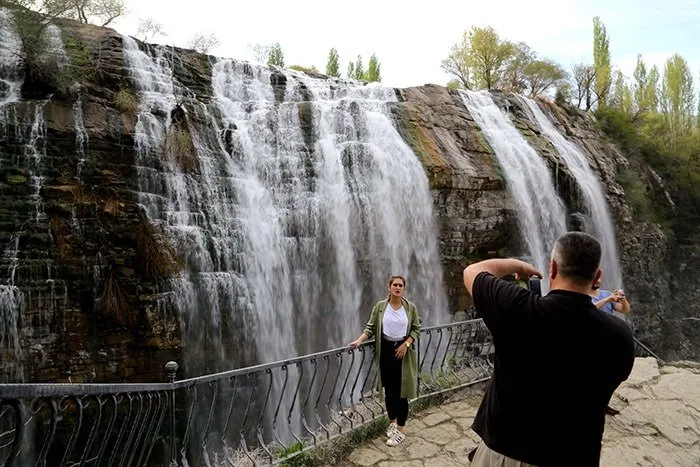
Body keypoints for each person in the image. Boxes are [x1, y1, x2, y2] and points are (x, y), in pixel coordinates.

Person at [462, 232, 635, 467]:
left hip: (503, 454)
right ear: (597, 278)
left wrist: (518, 265)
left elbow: (472, 272)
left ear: (552, 269)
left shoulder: (517, 309)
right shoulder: (620, 337)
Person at [349, 275, 421, 447]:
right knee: (390, 391)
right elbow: (371, 327)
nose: (397, 288)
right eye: (394, 285)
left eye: (400, 285)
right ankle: (392, 424)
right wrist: (359, 340)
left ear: (404, 288)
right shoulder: (380, 307)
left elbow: (416, 328)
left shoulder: (410, 308)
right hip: (386, 351)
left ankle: (401, 432)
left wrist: (407, 343)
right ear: (389, 288)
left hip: (403, 352)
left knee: (402, 393)